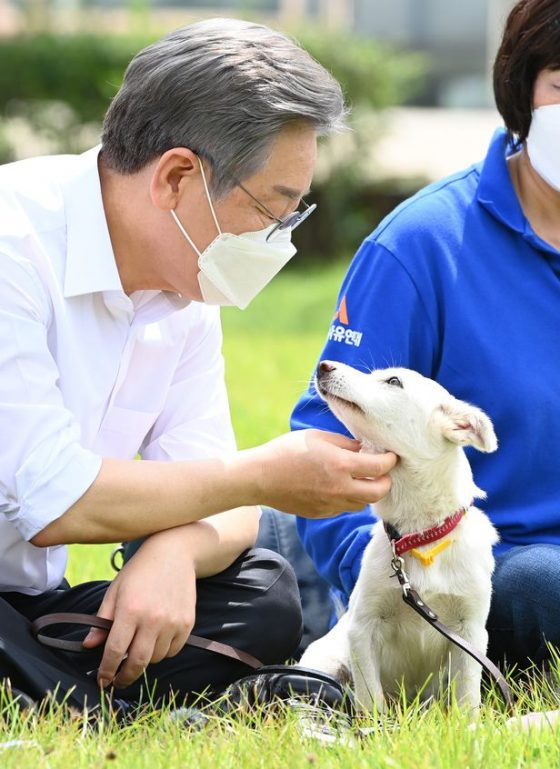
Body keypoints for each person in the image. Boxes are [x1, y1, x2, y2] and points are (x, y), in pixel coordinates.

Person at [0, 18, 399, 710]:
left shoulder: (184, 286)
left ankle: (58, 685)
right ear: (178, 177)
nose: (280, 241)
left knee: (265, 593)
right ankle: (86, 697)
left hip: (31, 598)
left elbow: (227, 499)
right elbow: (56, 499)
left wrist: (176, 551)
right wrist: (265, 472)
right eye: (272, 211)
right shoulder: (14, 248)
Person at [261, 0, 560, 672]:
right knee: (544, 584)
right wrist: (387, 600)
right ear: (523, 90)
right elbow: (333, 428)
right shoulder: (423, 247)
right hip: (481, 570)